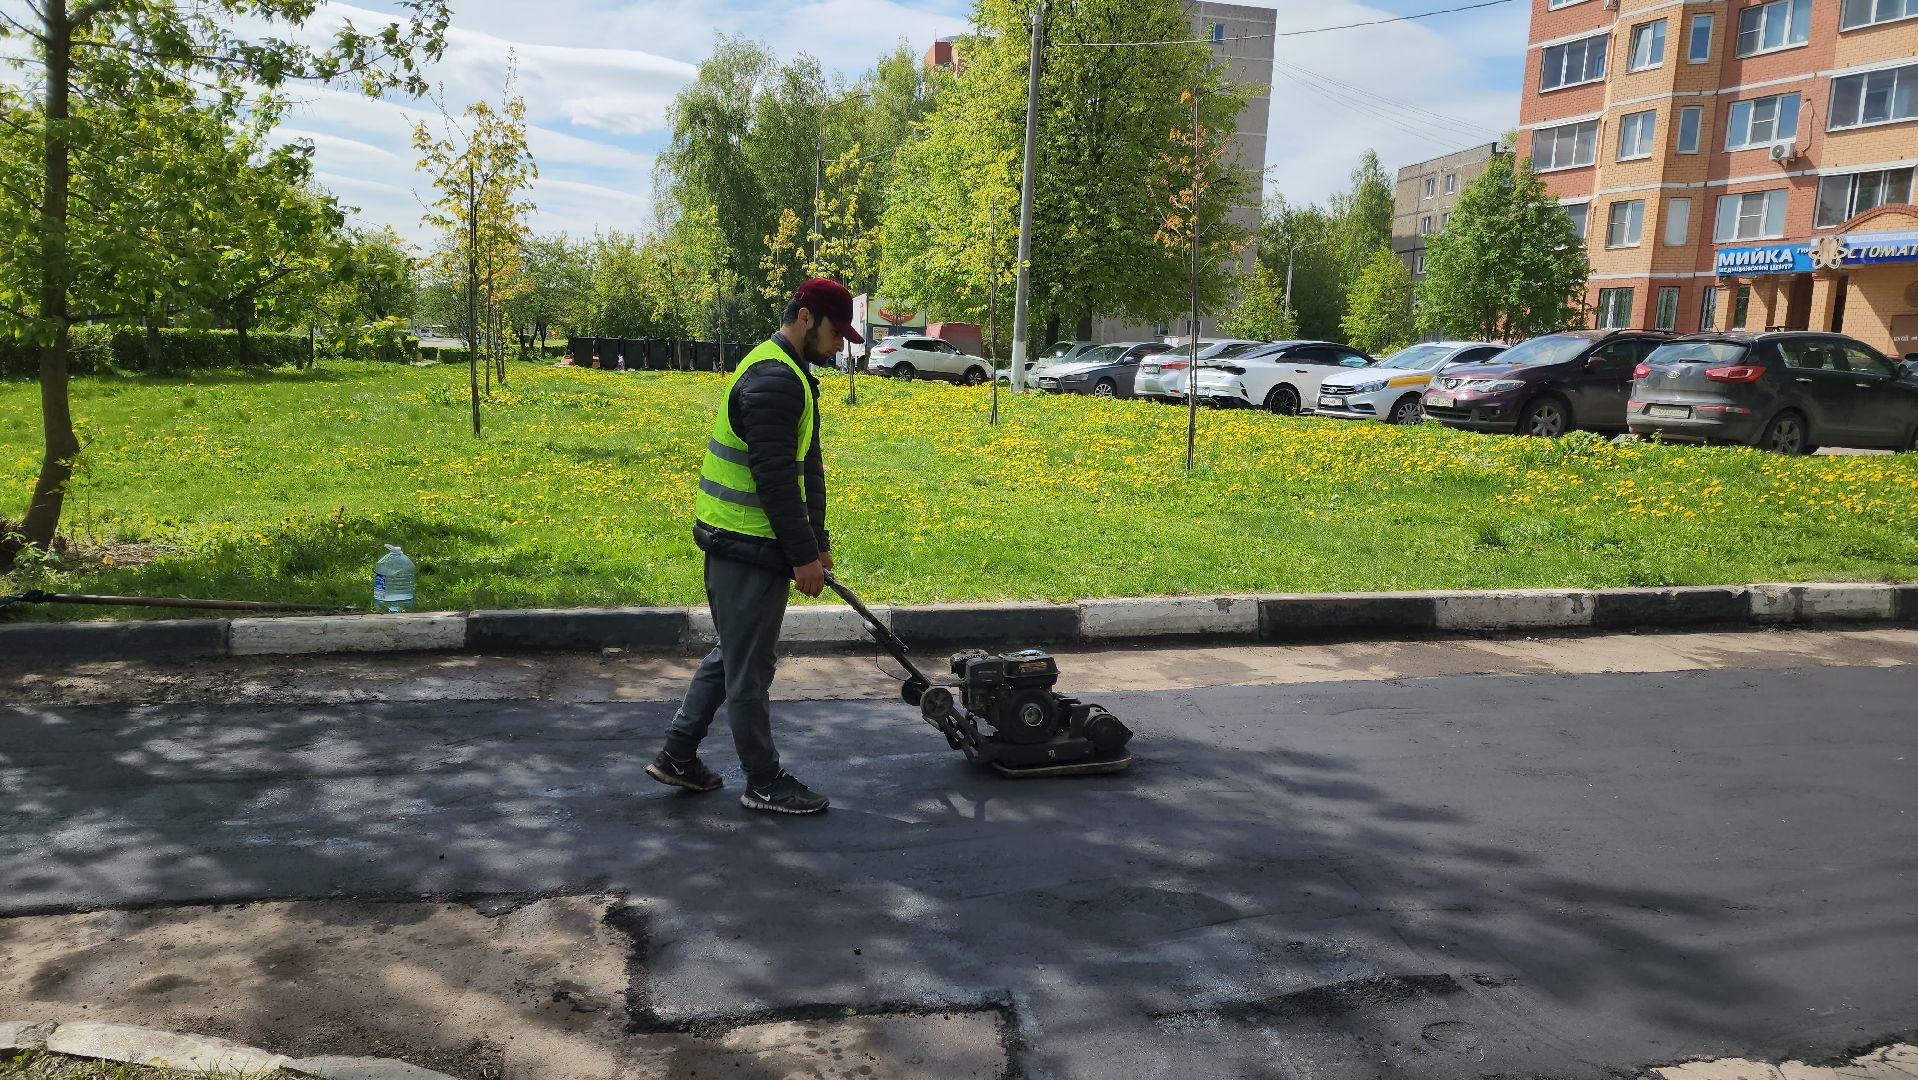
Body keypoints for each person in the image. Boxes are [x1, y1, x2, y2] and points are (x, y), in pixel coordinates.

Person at [647, 278, 861, 815]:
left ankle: (677, 755)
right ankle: (762, 780)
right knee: (749, 668)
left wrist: (819, 541)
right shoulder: (774, 379)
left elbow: (806, 465)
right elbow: (773, 479)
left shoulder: (793, 374)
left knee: (734, 656)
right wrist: (802, 556)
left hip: (751, 544)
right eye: (838, 334)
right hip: (744, 546)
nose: (841, 347)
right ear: (807, 318)